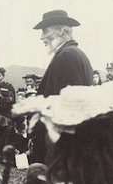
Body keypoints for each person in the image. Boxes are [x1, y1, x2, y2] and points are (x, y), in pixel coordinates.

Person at [31, 9, 93, 163]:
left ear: (61, 30)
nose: (41, 37)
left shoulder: (67, 56)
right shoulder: (73, 54)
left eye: (45, 31)